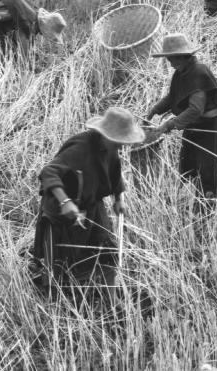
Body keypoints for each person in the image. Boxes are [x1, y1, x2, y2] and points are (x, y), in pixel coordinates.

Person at [30, 106, 143, 293]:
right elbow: (48, 172)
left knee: (107, 249)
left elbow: (115, 175)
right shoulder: (80, 148)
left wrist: (118, 199)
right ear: (105, 134)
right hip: (61, 205)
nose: (121, 146)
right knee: (58, 260)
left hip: (91, 204)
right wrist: (65, 201)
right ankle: (54, 297)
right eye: (118, 141)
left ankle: (110, 296)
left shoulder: (111, 148)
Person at [147, 34, 217, 197]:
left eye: (171, 59)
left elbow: (195, 109)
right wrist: (155, 109)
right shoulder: (182, 72)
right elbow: (174, 95)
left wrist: (169, 125)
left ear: (181, 57)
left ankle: (212, 203)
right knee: (190, 162)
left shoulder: (198, 72)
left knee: (211, 169)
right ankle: (194, 196)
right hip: (194, 125)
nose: (170, 64)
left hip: (210, 128)